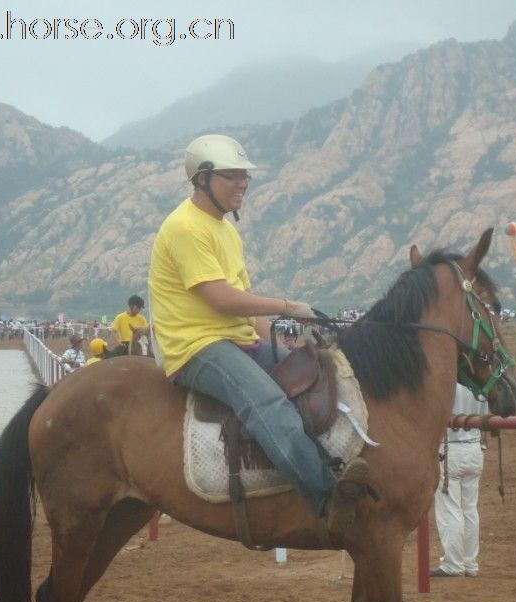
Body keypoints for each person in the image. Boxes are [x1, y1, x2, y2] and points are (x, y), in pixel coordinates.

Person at [148, 133, 369, 535]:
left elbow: (244, 300)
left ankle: (327, 461)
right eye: (232, 175)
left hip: (238, 338)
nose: (243, 183)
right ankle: (326, 496)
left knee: (313, 371)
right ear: (202, 179)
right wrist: (287, 307)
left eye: (245, 176)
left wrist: (282, 342)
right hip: (197, 346)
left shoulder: (225, 229)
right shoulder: (185, 227)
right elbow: (220, 298)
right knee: (265, 401)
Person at [430, 383, 488, 578]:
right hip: (474, 447)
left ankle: (454, 563)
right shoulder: (479, 381)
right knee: (470, 509)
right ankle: (470, 562)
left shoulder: (446, 378)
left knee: (450, 508)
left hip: (450, 448)